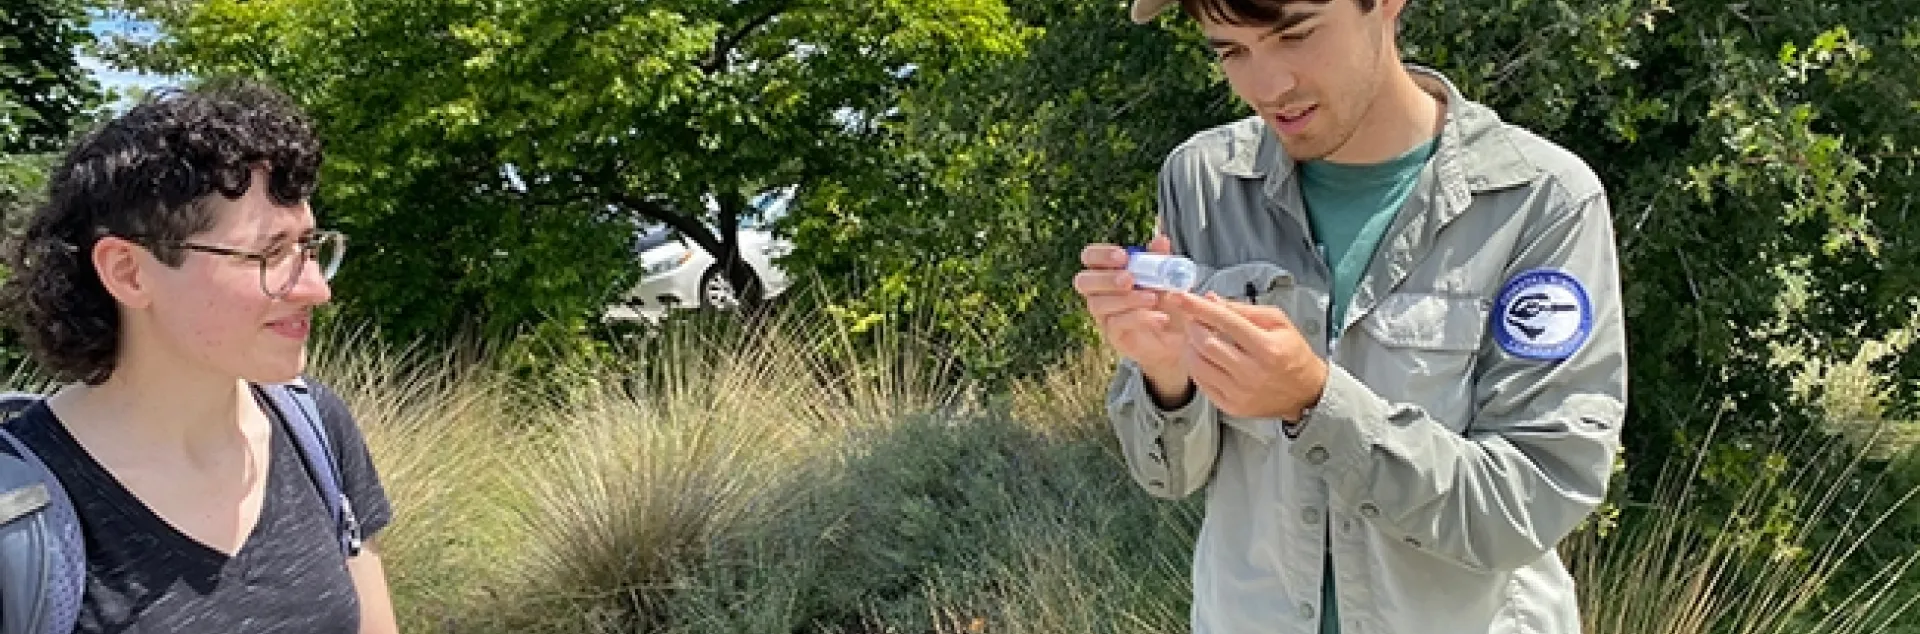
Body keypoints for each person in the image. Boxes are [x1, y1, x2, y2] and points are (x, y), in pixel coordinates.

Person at [1075, 0, 1629, 633]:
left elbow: (1530, 506)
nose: (1267, 86)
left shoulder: (1541, 201)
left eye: (1296, 34)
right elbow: (1169, 476)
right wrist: (1166, 379)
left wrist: (1315, 403)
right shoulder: (1203, 183)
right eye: (1231, 50)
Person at [0, 78, 399, 633]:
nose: (316, 288)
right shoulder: (19, 514)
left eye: (308, 248)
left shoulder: (316, 430)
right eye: (269, 253)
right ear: (128, 272)